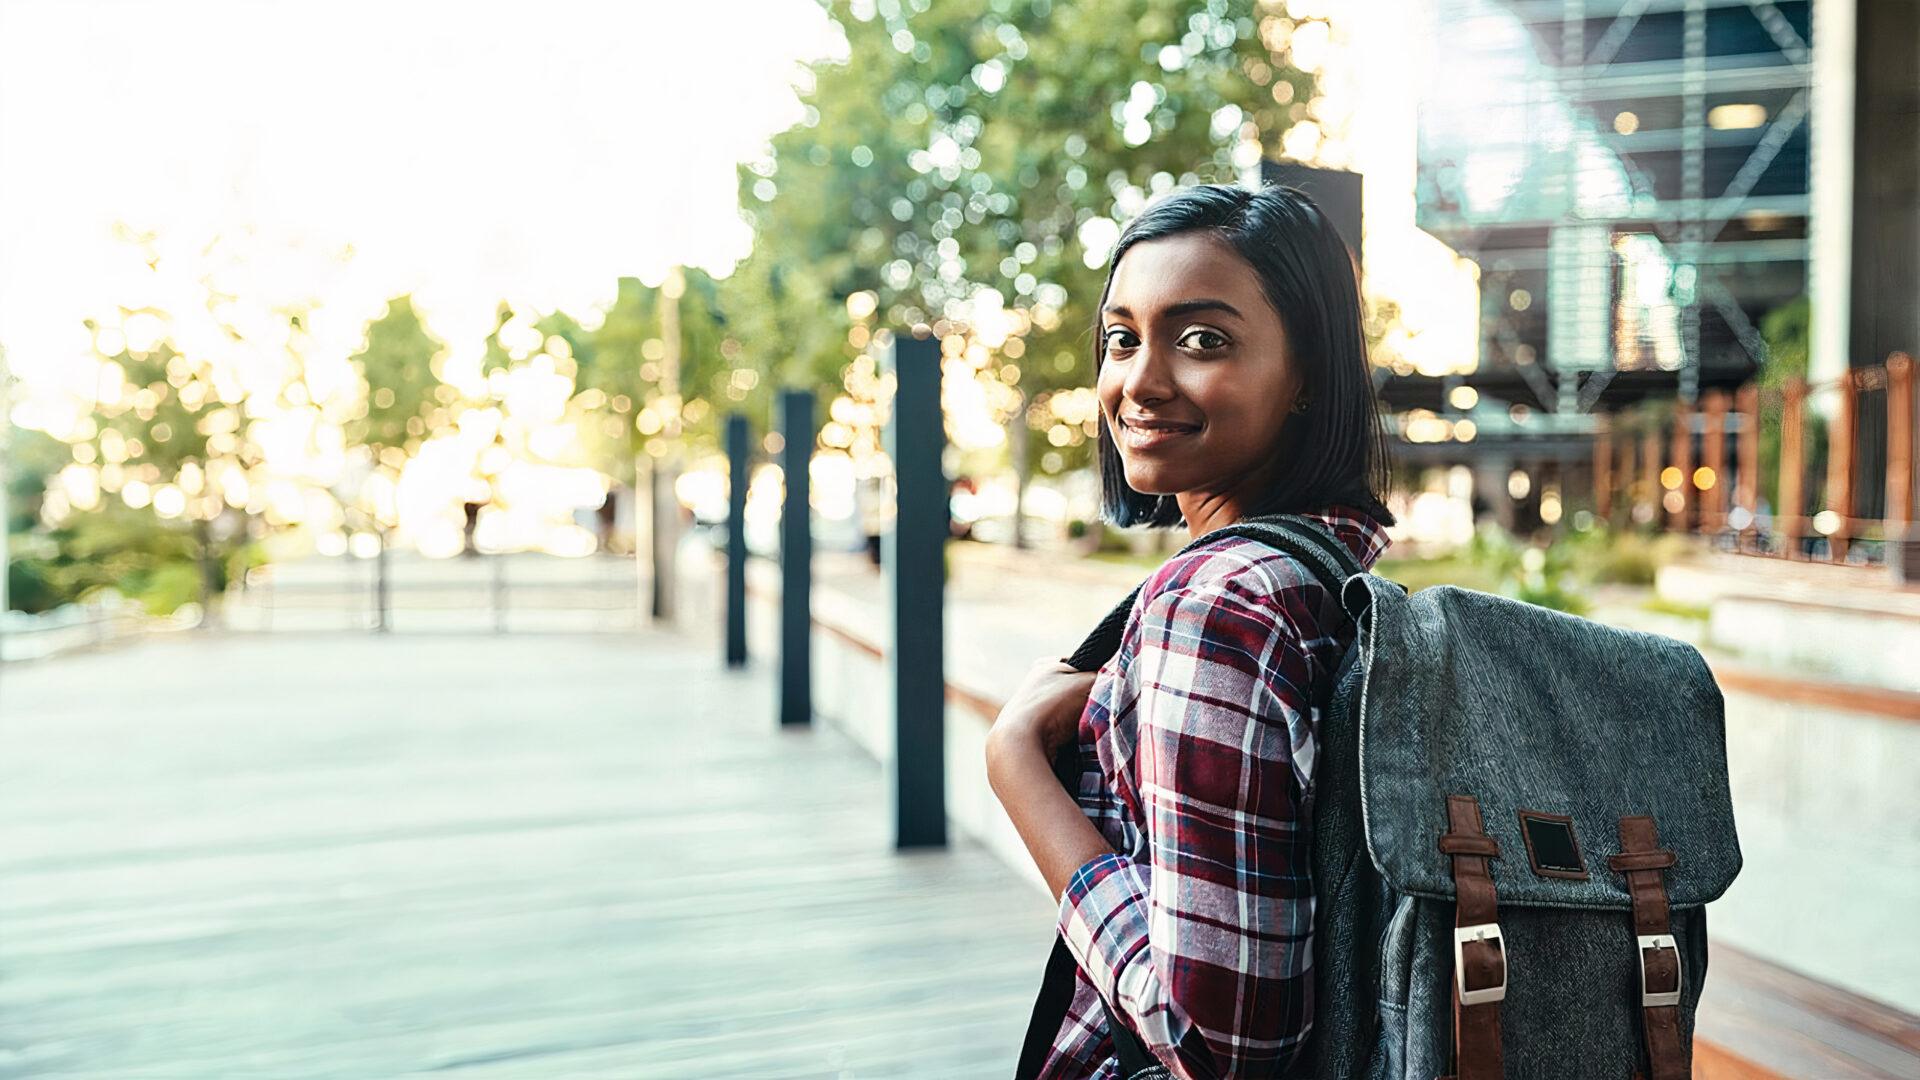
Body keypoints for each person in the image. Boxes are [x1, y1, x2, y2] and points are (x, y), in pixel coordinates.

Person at [985, 182, 1398, 1079]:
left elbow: (1218, 1046)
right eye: (1122, 338)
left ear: (1306, 377)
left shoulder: (1217, 604)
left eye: (1203, 340)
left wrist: (1018, 767)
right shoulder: (1333, 576)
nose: (1140, 381)